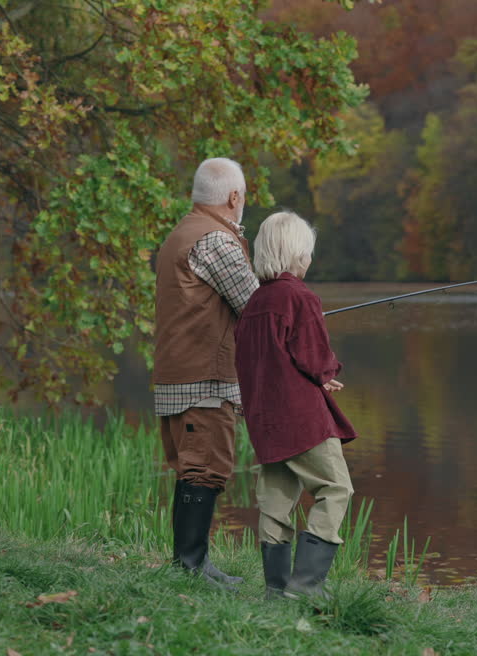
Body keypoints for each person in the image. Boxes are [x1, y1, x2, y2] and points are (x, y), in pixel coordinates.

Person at [234, 211, 357, 599]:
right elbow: (314, 355)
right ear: (296, 254)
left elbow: (263, 360)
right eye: (307, 253)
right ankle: (305, 586)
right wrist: (326, 371)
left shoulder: (253, 303)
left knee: (275, 500)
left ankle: (275, 589)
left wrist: (319, 374)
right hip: (301, 418)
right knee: (336, 489)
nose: (309, 260)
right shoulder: (301, 297)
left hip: (264, 420)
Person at [153, 157, 259, 587]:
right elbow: (256, 306)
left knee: (196, 469)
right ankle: (191, 567)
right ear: (234, 197)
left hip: (183, 375)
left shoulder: (183, 231)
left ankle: (191, 563)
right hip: (203, 381)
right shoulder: (215, 240)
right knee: (204, 469)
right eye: (244, 196)